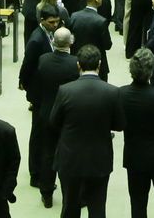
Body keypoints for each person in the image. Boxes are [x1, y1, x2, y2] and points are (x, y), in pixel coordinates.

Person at [51, 44, 125, 218]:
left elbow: (53, 121)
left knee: (70, 207)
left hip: (70, 159)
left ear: (78, 65)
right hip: (99, 159)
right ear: (99, 64)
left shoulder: (65, 90)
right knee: (97, 208)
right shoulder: (112, 92)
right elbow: (120, 124)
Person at [120, 48, 154, 218]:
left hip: (134, 157)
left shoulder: (121, 94)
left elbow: (119, 123)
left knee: (137, 203)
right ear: (151, 70)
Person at [30, 28, 78, 208]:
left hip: (47, 113)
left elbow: (37, 85)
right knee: (70, 155)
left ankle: (47, 193)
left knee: (48, 153)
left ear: (53, 42)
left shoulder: (43, 60)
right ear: (70, 42)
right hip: (68, 116)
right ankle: (71, 195)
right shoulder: (75, 63)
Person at [67, 0, 113, 81]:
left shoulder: (74, 16)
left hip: (78, 62)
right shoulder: (101, 21)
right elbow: (107, 45)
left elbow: (70, 40)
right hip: (96, 64)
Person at [17, 5, 64, 95]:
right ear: (42, 20)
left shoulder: (49, 31)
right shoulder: (36, 40)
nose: (55, 25)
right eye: (51, 22)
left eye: (57, 21)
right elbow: (28, 63)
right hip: (39, 85)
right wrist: (22, 81)